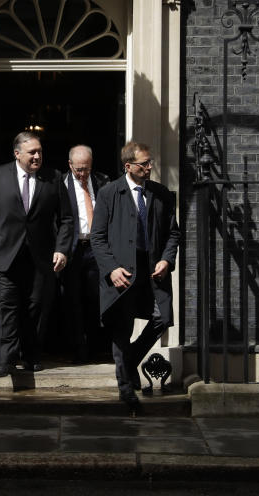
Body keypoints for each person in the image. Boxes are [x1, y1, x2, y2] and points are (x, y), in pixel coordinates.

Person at [0, 131, 74, 378]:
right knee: (7, 305)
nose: (37, 156)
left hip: (40, 257)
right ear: (17, 154)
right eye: (32, 152)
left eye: (40, 151)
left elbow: (67, 218)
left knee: (35, 307)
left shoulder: (54, 178)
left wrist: (61, 249)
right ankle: (4, 362)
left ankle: (31, 356)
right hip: (5, 253)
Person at [90, 141, 179, 408]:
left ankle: (129, 363)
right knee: (122, 326)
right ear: (128, 166)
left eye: (150, 162)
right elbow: (97, 237)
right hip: (123, 271)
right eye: (144, 164)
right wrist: (111, 269)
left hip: (152, 270)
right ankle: (125, 387)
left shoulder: (160, 193)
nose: (150, 167)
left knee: (161, 318)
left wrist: (166, 259)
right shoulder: (109, 193)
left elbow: (173, 233)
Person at [60, 145, 110, 363]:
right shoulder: (60, 184)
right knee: (73, 300)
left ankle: (94, 347)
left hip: (96, 248)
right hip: (72, 250)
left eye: (86, 169)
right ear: (70, 165)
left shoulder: (103, 181)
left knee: (96, 298)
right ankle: (78, 350)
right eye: (78, 169)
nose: (82, 174)